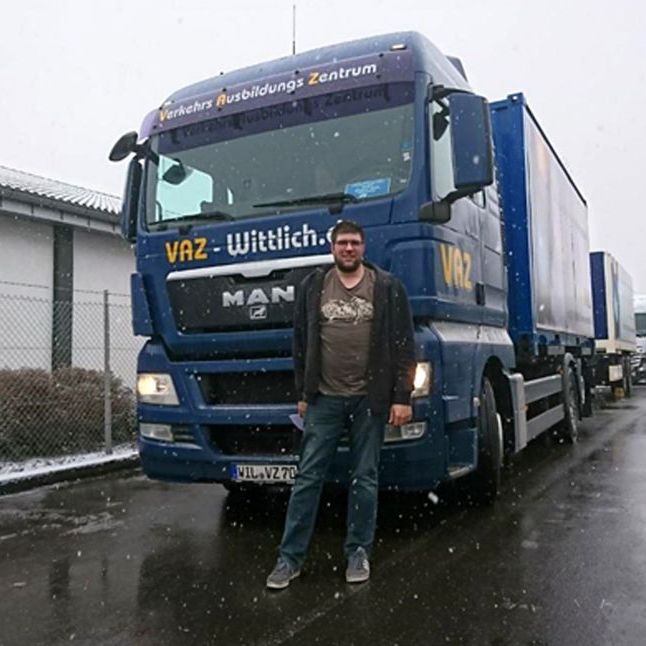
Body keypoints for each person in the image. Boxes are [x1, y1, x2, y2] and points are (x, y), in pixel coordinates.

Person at [266, 219, 416, 589]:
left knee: (364, 478)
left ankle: (358, 552)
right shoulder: (313, 286)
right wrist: (304, 394)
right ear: (332, 248)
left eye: (354, 243)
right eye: (342, 243)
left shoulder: (387, 286)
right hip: (324, 400)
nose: (348, 249)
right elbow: (301, 342)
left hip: (369, 401)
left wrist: (402, 397)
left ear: (364, 247)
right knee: (307, 478)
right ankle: (289, 559)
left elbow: (403, 345)